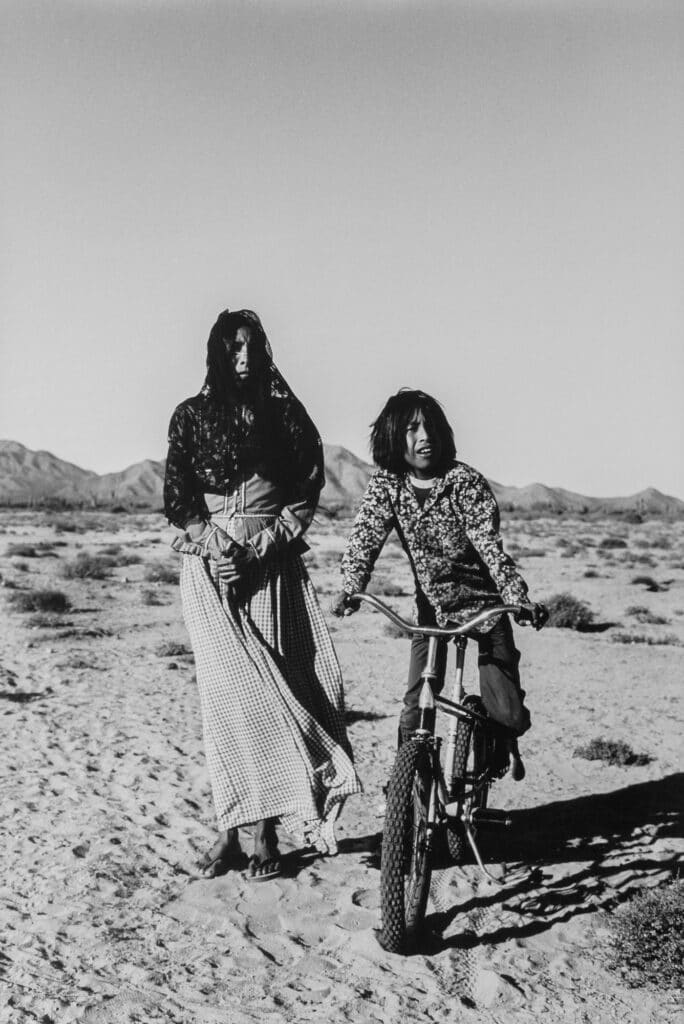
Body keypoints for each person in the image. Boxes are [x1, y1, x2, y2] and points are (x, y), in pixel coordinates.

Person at [164, 309, 361, 880]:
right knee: (225, 701)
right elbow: (179, 498)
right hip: (209, 574)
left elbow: (305, 492)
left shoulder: (287, 417)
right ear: (217, 355)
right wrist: (214, 547)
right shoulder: (191, 417)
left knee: (272, 695)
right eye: (232, 348)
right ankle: (231, 833)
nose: (243, 357)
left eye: (250, 346)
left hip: (271, 571)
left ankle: (266, 835)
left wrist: (260, 545)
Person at [332, 388, 547, 779]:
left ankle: (498, 743)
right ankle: (407, 787)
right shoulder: (387, 484)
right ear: (394, 437)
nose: (424, 437)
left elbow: (489, 546)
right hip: (432, 608)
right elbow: (365, 538)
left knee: (507, 712)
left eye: (430, 427)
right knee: (417, 704)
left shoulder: (464, 482)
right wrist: (351, 587)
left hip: (484, 605)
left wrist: (518, 598)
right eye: (412, 429)